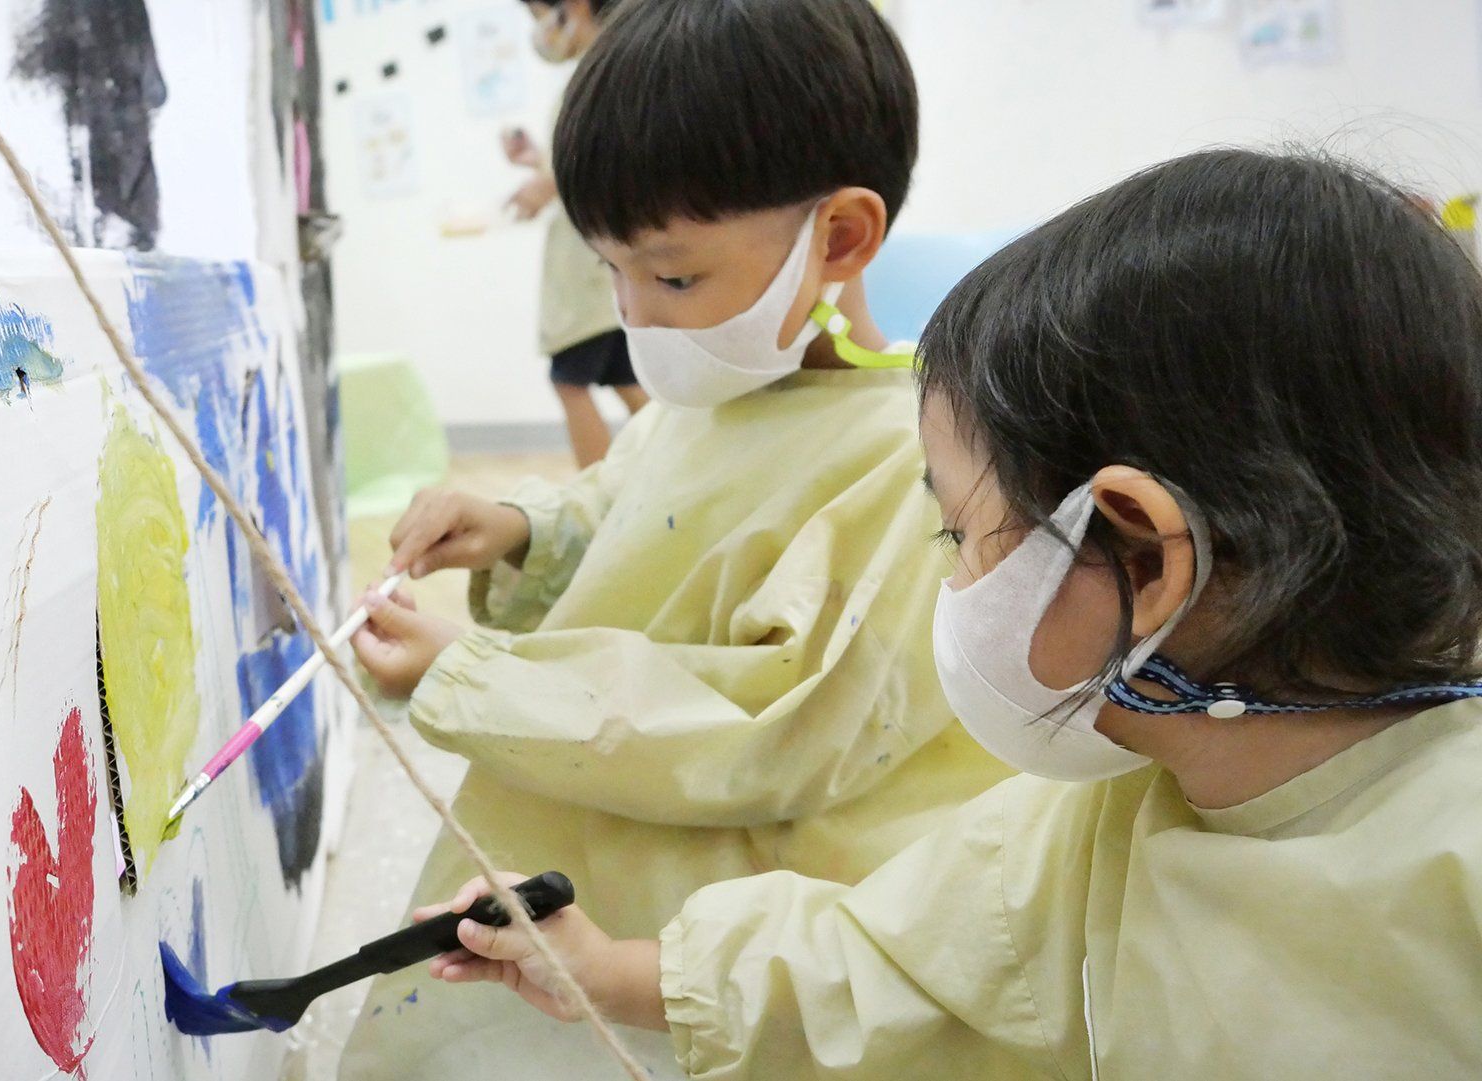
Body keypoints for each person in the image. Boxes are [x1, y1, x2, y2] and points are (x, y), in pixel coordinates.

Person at [422, 148, 1482, 1079]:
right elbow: (888, 957)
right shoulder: (1116, 804)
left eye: (961, 534)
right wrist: (607, 969)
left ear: (1148, 561)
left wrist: (467, 674)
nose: (636, 314)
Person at [339, 1, 1013, 1076]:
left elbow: (784, 721)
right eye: (610, 272)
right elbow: (625, 512)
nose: (637, 317)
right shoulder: (710, 395)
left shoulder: (916, 461)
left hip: (724, 908)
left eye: (674, 275)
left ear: (839, 237)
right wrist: (518, 528)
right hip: (597, 843)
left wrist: (472, 678)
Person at [506, 0, 647, 467]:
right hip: (600, 260)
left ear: (574, 8)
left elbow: (605, 160)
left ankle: (602, 494)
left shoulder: (601, 74)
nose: (542, 33)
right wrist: (539, 163)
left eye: (541, 17)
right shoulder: (605, 67)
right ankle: (671, 470)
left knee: (569, 381)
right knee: (627, 380)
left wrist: (546, 182)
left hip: (593, 267)